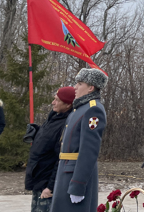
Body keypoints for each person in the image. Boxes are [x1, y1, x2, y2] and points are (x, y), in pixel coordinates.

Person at [50, 68, 107, 212]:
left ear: (90, 88)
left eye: (80, 83)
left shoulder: (93, 110)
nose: (75, 87)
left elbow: (89, 151)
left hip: (75, 175)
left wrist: (78, 184)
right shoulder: (80, 108)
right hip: (66, 171)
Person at [25, 86, 76, 212]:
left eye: (57, 100)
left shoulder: (66, 124)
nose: (53, 102)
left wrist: (50, 187)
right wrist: (36, 132)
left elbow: (61, 159)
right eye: (54, 99)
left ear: (68, 105)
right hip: (38, 178)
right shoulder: (54, 117)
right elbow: (49, 141)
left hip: (46, 185)